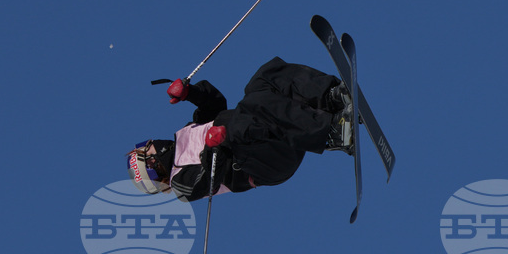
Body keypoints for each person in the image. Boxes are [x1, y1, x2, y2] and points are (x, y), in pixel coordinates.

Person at [127, 57, 353, 201]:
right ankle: (332, 133)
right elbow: (208, 180)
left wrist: (190, 93)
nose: (150, 144)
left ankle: (330, 97)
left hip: (271, 133)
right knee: (242, 115)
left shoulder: (186, 133)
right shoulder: (179, 182)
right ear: (153, 166)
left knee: (263, 80)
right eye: (145, 150)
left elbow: (214, 105)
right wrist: (213, 150)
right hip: (263, 164)